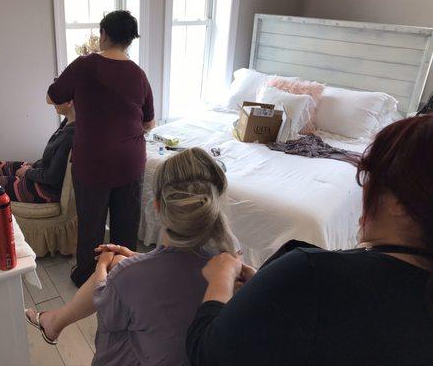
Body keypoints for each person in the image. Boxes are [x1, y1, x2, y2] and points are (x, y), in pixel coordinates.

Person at [186, 115, 433, 366]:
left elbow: (207, 353)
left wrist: (221, 281)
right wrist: (267, 288)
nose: (364, 190)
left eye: (371, 178)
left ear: (399, 205)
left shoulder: (311, 272)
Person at [25, 147, 238, 365]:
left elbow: (107, 311)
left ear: (156, 207)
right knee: (121, 265)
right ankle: (55, 322)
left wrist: (104, 264)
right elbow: (180, 268)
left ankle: (54, 322)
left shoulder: (128, 275)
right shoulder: (230, 269)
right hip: (194, 352)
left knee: (116, 274)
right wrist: (134, 258)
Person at [46, 10, 155, 287]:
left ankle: (88, 277)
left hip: (93, 161)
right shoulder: (139, 75)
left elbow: (52, 96)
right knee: (126, 223)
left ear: (103, 34)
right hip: (130, 161)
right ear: (130, 40)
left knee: (92, 224)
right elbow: (149, 123)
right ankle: (124, 276)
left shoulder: (84, 65)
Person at [0, 101, 74, 203]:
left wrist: (27, 172)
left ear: (70, 102)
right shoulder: (67, 122)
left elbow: (52, 177)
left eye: (57, 99)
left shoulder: (70, 135)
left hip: (48, 189)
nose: (52, 103)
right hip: (42, 172)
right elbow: (49, 159)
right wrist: (32, 167)